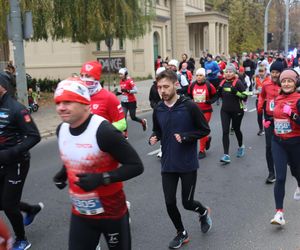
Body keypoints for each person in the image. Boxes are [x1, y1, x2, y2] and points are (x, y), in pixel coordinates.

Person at [53, 78, 144, 250]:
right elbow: (75, 156)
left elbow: (136, 165)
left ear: (84, 103)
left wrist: (102, 178)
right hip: (81, 212)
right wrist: (63, 172)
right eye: (58, 102)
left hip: (111, 212)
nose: (61, 107)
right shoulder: (62, 130)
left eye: (67, 102)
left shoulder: (103, 131)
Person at [149, 69, 212, 249]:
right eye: (159, 87)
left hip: (187, 164)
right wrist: (154, 136)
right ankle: (181, 232)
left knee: (187, 203)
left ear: (176, 85)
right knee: (169, 202)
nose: (162, 91)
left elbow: (204, 130)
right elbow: (158, 130)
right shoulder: (159, 108)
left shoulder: (189, 106)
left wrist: (186, 137)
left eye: (166, 86)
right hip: (168, 163)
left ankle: (203, 211)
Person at [0, 72, 43, 250]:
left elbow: (34, 136)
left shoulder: (17, 109)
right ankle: (30, 209)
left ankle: (22, 239)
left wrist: (11, 153)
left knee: (9, 205)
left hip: (16, 162)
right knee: (2, 202)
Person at [270, 69, 300, 226]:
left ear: (295, 83)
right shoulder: (278, 97)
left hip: (296, 143)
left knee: (296, 171)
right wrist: (269, 122)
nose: (286, 84)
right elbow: (275, 115)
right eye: (284, 81)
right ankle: (279, 213)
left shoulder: (299, 99)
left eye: (290, 81)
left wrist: (293, 115)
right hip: (278, 142)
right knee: (280, 177)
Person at [80, 61, 126, 132]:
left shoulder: (109, 97)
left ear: (96, 78)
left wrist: (101, 131)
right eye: (81, 76)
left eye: (88, 76)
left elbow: (122, 124)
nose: (83, 79)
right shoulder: (78, 96)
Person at [257, 61, 284, 184]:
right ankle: (271, 173)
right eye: (273, 72)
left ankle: (283, 166)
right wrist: (260, 105)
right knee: (269, 146)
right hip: (268, 117)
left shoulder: (286, 85)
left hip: (282, 119)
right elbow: (262, 96)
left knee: (283, 145)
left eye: (277, 72)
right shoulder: (266, 84)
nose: (274, 74)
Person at [217, 64, 247, 163]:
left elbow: (245, 97)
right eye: (227, 72)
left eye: (230, 72)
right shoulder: (222, 82)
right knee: (225, 131)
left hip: (237, 110)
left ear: (234, 73)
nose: (228, 73)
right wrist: (217, 93)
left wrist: (236, 93)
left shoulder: (238, 82)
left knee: (237, 129)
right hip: (225, 111)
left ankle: (241, 146)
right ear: (224, 73)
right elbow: (219, 96)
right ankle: (226, 155)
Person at [188, 68, 217, 159]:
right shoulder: (192, 85)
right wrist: (190, 102)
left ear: (204, 76)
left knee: (201, 128)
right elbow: (188, 95)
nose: (198, 77)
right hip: (195, 111)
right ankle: (207, 139)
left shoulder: (209, 85)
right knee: (196, 129)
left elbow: (215, 95)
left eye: (200, 75)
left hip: (206, 111)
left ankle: (201, 150)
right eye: (197, 75)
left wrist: (210, 101)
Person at [118, 68, 147, 138]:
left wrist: (128, 91)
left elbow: (136, 90)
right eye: (119, 74)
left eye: (121, 74)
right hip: (124, 102)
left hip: (131, 102)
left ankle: (143, 122)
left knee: (133, 117)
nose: (120, 75)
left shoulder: (129, 81)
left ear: (125, 74)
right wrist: (118, 93)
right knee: (123, 117)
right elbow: (122, 91)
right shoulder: (121, 82)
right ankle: (125, 133)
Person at [149, 67, 164, 158]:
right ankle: (162, 149)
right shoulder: (153, 87)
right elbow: (151, 99)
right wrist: (155, 106)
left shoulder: (168, 85)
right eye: (157, 75)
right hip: (157, 112)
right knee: (160, 130)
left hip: (167, 111)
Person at [254, 65, 270, 136]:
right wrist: (256, 92)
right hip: (259, 100)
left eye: (262, 71)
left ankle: (268, 129)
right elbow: (254, 89)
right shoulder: (256, 79)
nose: (261, 73)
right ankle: (261, 129)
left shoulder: (269, 79)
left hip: (266, 100)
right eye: (259, 71)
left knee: (267, 116)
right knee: (259, 115)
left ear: (265, 71)